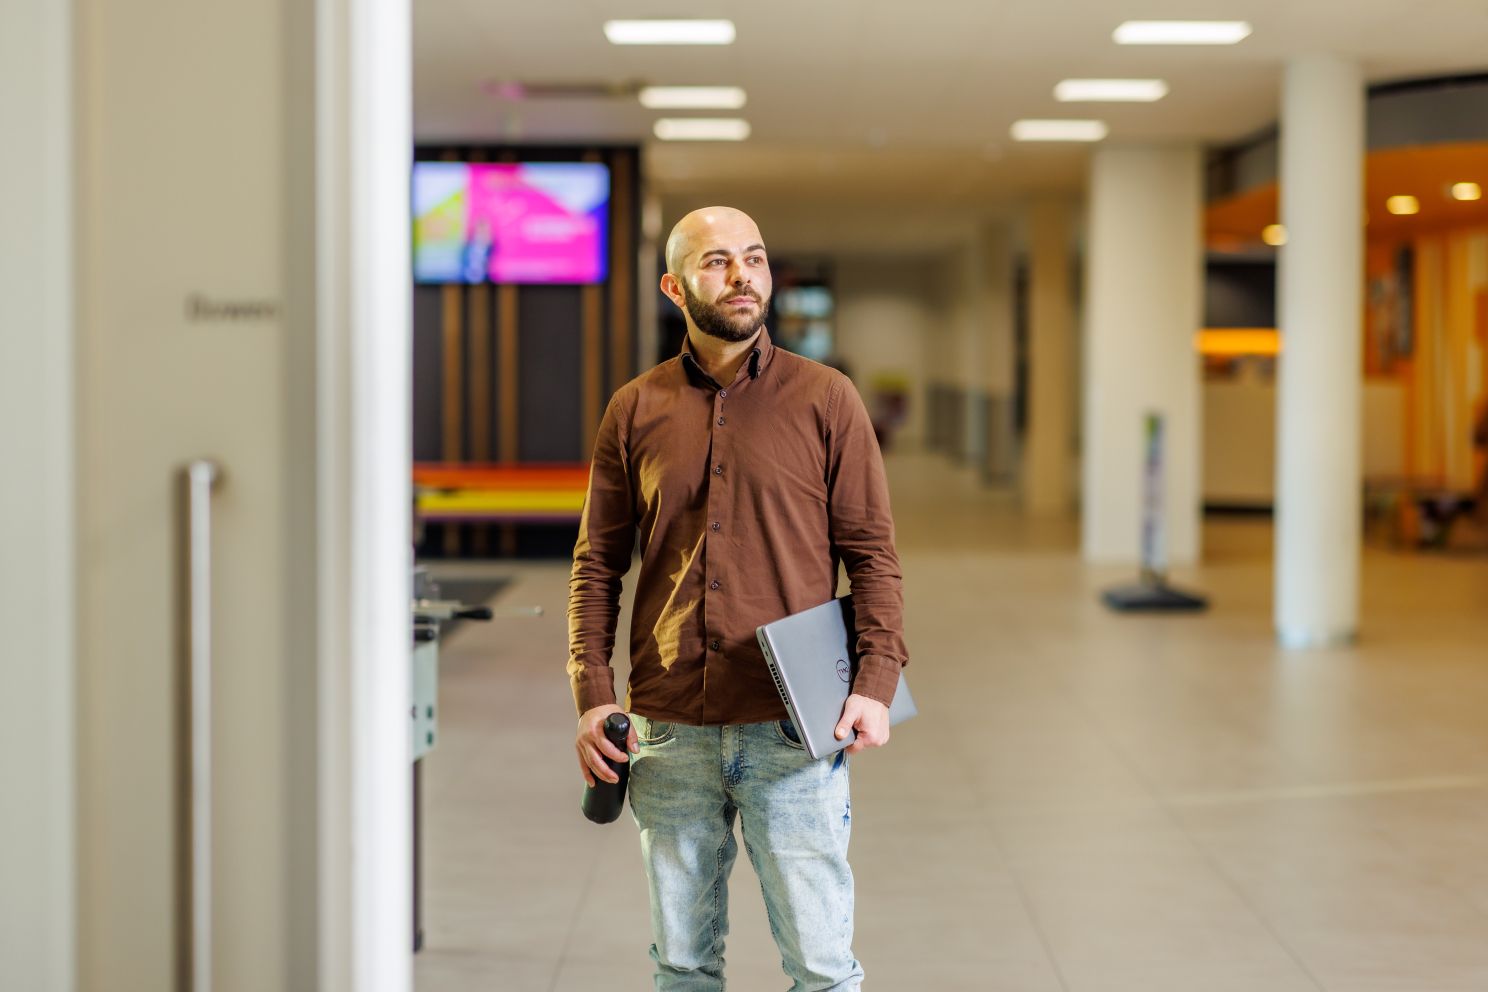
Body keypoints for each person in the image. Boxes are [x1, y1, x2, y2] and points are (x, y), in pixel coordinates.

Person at [567, 206, 909, 991]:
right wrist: (592, 695)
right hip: (668, 730)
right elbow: (597, 565)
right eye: (718, 261)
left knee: (822, 968)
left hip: (792, 725)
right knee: (683, 966)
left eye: (753, 258)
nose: (743, 275)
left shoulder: (827, 400)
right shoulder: (635, 409)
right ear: (674, 286)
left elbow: (873, 555)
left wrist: (875, 682)